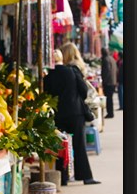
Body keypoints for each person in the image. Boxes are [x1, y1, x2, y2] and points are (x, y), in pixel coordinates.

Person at [44, 47, 101, 185]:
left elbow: (45, 95)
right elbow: (84, 90)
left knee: (59, 145)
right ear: (62, 58)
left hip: (57, 114)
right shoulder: (72, 71)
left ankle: (62, 178)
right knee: (79, 145)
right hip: (75, 113)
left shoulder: (48, 76)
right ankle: (86, 177)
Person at [101, 48, 117, 118]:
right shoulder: (112, 59)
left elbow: (106, 71)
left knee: (109, 99)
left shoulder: (106, 60)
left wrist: (104, 81)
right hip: (112, 81)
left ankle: (110, 113)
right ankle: (111, 112)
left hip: (108, 82)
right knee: (110, 98)